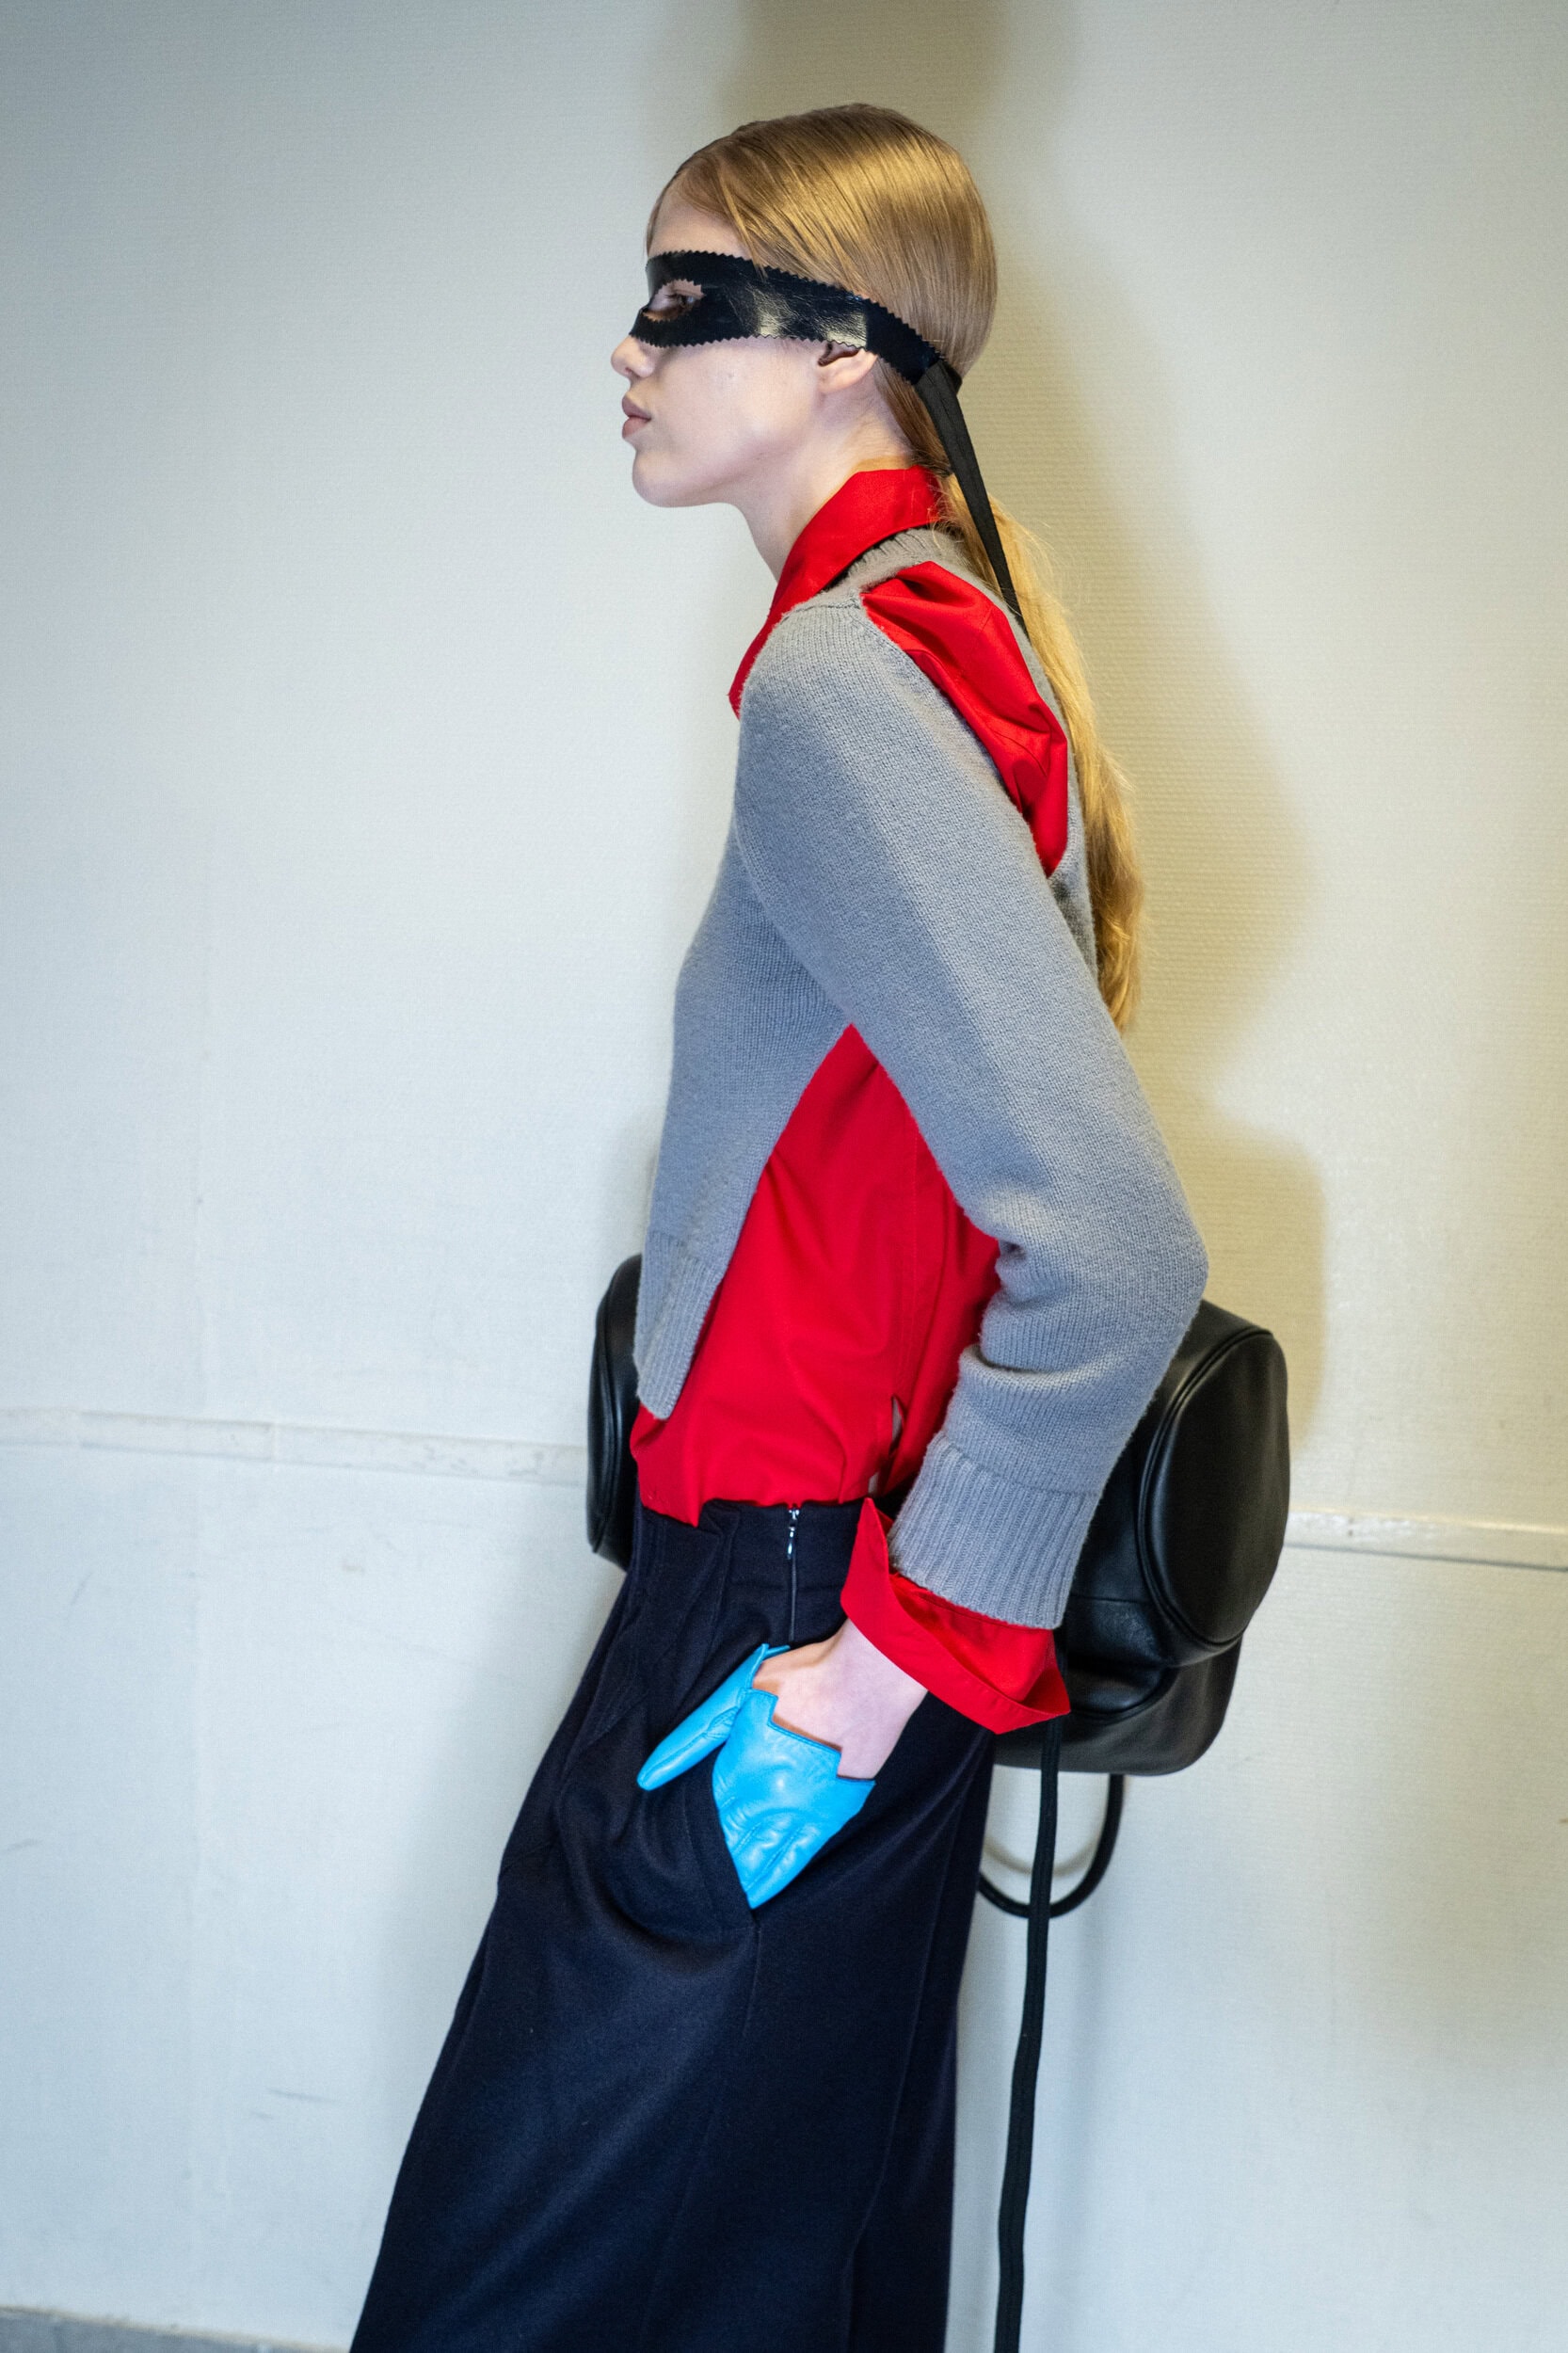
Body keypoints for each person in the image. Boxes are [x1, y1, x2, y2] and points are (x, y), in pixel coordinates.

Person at [350, 103, 1207, 2353]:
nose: (627, 349)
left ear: (844, 349)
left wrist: (880, 1660)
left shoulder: (847, 677)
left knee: (505, 2288)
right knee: (786, 2277)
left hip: (789, 1611)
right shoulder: (932, 635)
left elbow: (1112, 1248)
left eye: (682, 298)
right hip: (820, 1595)